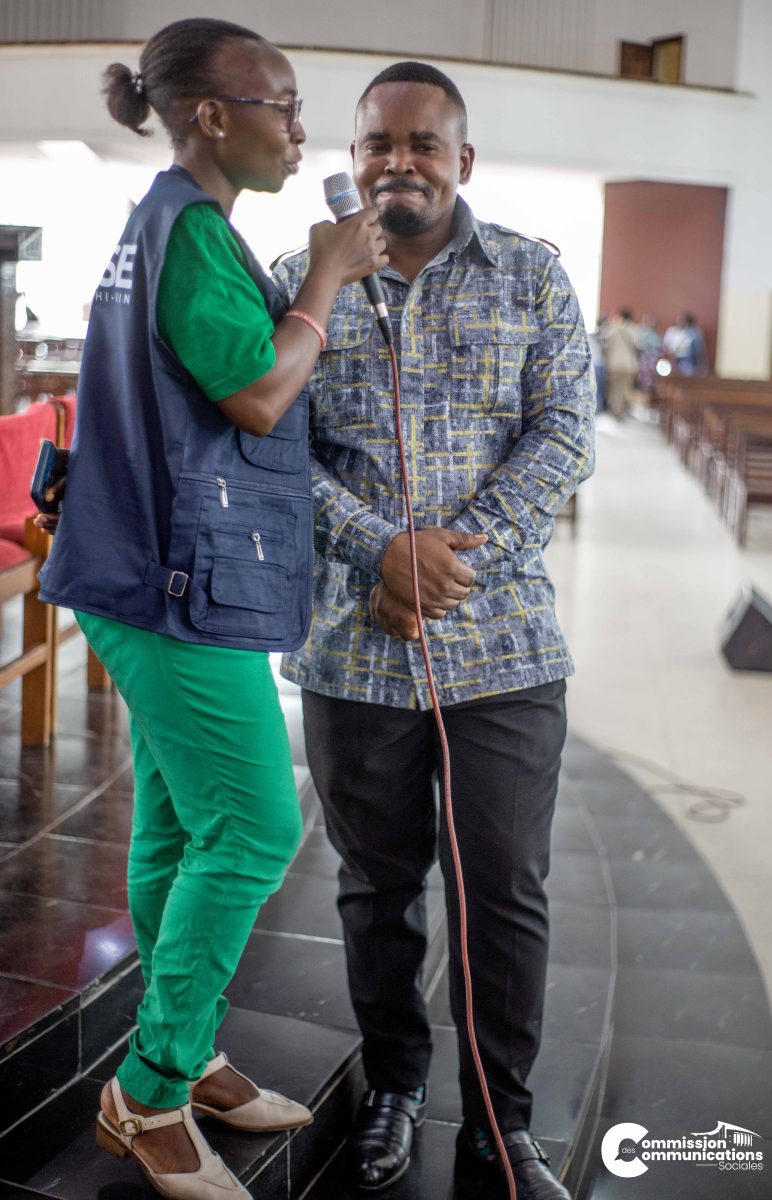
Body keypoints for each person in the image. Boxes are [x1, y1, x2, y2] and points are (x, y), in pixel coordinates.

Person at [35, 18, 387, 1200]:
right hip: (168, 579)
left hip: (144, 565)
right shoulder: (187, 228)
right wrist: (327, 275)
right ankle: (148, 1093)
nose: (298, 130)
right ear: (209, 116)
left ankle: (183, 1048)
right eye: (280, 105)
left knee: (179, 828)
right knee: (253, 830)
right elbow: (255, 394)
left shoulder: (174, 222)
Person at [272, 61, 594, 1200]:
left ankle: (504, 1124)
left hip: (502, 648)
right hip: (353, 648)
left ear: (463, 159)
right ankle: (395, 1088)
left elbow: (563, 435)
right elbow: (268, 444)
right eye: (377, 143)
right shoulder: (299, 282)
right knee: (374, 889)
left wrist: (449, 567)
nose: (397, 163)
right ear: (352, 157)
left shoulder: (531, 277)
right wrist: (380, 550)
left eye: (421, 143)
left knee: (502, 890)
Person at [602, 307, 641, 419]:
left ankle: (615, 410)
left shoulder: (613, 328)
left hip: (614, 364)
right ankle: (623, 411)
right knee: (626, 389)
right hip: (629, 365)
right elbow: (638, 347)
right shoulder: (634, 329)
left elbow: (606, 345)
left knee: (614, 388)